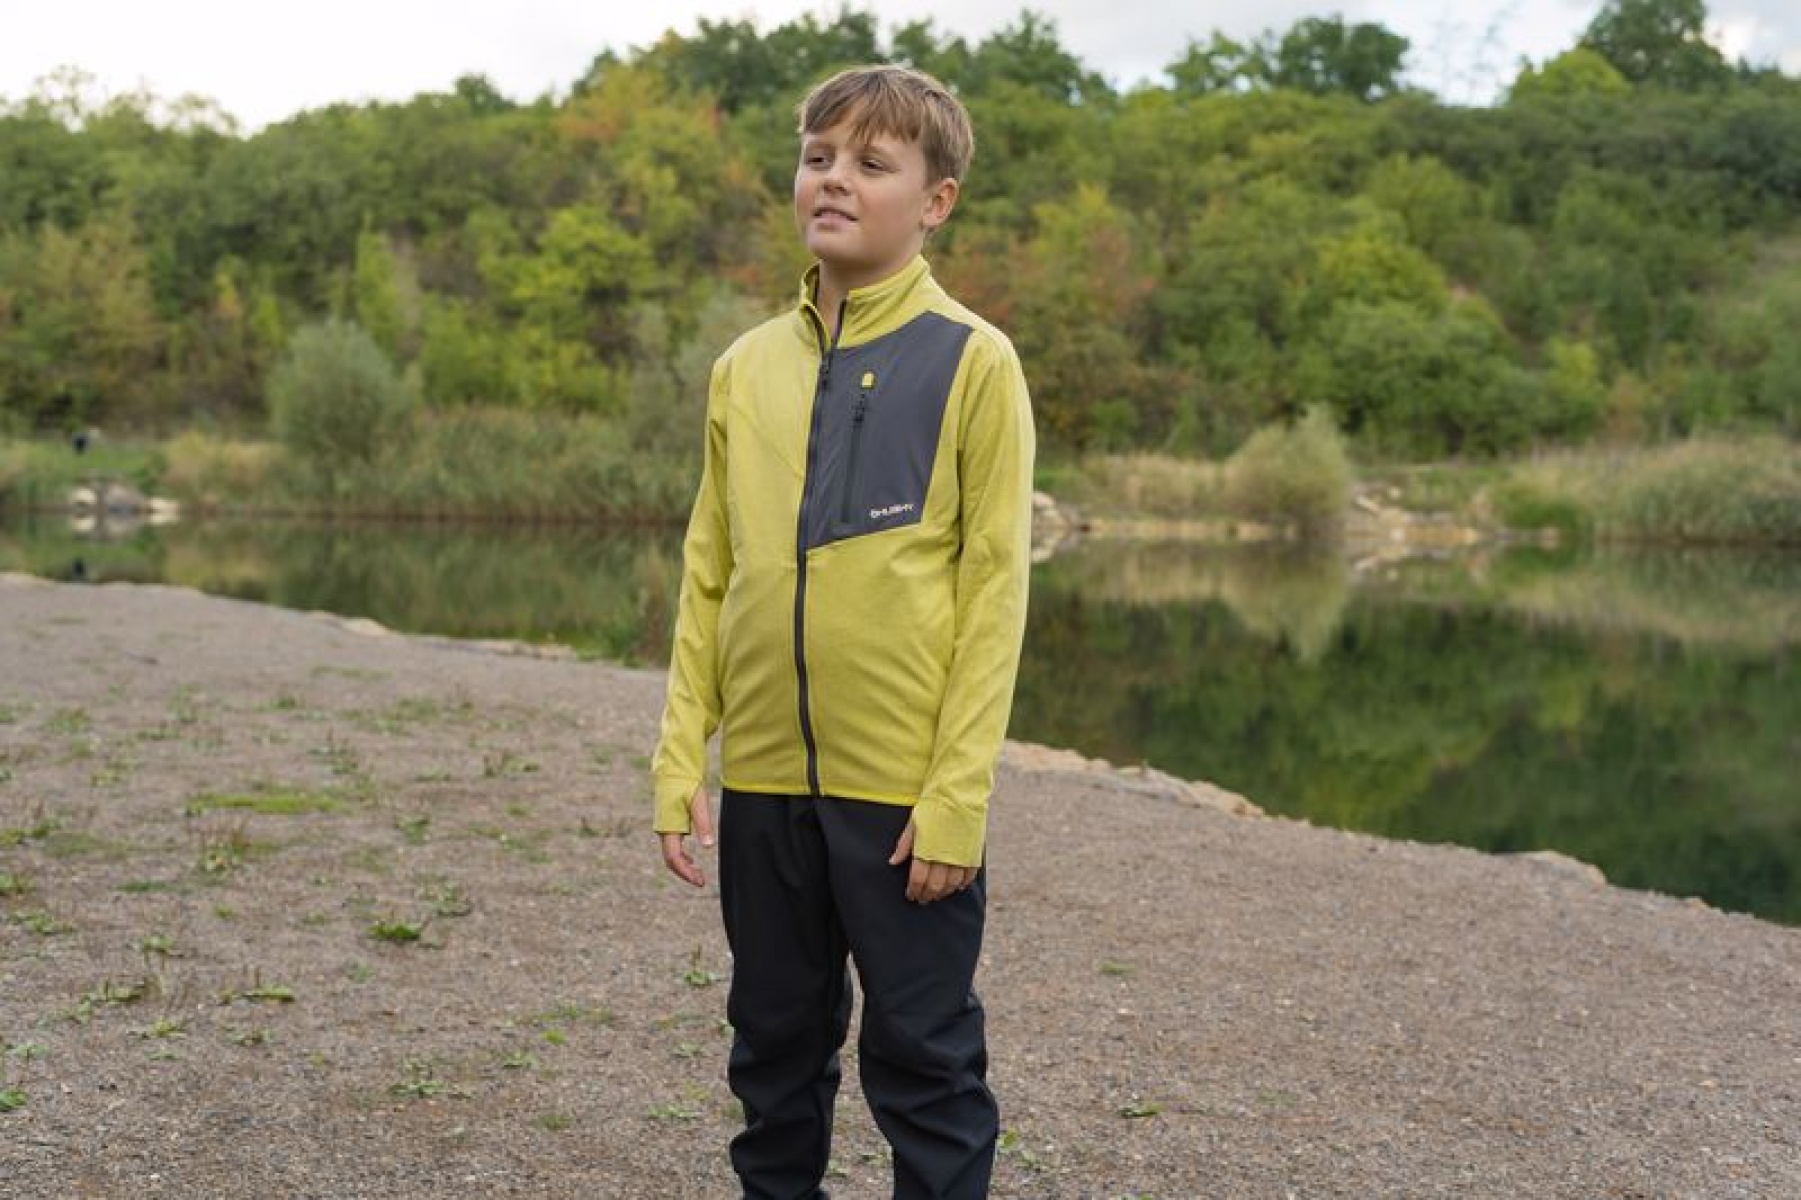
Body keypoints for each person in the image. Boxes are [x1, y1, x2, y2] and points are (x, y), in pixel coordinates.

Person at [650, 63, 1035, 1200]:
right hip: (766, 781)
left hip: (902, 795)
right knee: (772, 1051)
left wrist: (956, 798)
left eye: (871, 163)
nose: (834, 180)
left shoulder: (972, 360)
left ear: (935, 201)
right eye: (818, 157)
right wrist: (680, 757)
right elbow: (708, 573)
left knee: (924, 1062)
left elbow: (993, 597)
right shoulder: (743, 368)